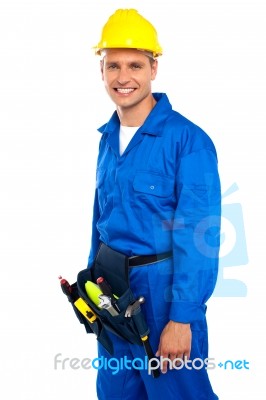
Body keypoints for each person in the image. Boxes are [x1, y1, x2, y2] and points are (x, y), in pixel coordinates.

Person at [87, 8, 221, 400]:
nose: (123, 77)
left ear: (153, 69)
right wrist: (89, 285)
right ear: (102, 71)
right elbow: (101, 217)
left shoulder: (187, 141)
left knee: (178, 393)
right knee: (116, 392)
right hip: (110, 289)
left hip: (163, 293)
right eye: (113, 65)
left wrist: (182, 318)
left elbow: (200, 235)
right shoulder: (108, 138)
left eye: (134, 65)